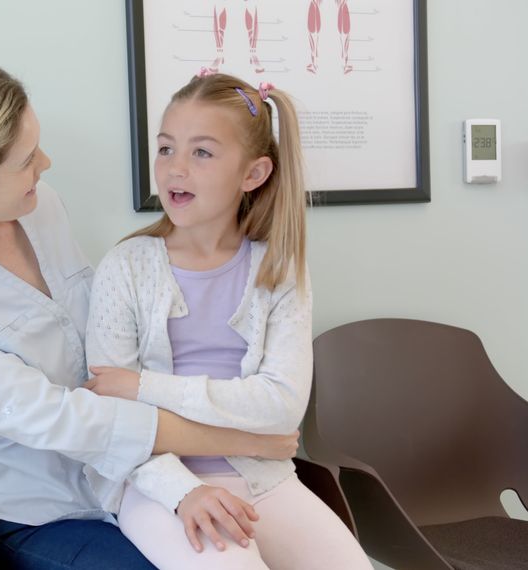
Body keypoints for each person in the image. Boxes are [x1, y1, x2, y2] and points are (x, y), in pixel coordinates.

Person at [0, 60, 299, 570]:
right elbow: (63, 419)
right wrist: (239, 439)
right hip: (51, 513)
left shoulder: (39, 206)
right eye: (26, 160)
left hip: (140, 479)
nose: (45, 164)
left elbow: (112, 351)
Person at [84, 71, 371, 569]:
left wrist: (142, 385)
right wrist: (184, 492)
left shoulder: (279, 269)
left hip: (265, 478)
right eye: (166, 148)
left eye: (202, 152)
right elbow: (112, 417)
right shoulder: (126, 267)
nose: (175, 169)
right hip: (156, 483)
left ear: (253, 174)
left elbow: (280, 408)